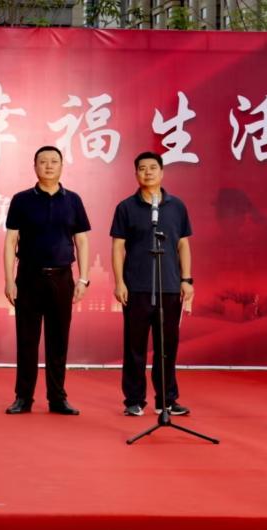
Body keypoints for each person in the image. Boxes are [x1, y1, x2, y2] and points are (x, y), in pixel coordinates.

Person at [3, 146, 90, 416]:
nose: (49, 166)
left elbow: (82, 240)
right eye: (43, 162)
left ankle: (57, 398)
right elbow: (11, 241)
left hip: (62, 277)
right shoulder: (21, 200)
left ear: (62, 166)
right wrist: (9, 280)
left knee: (58, 341)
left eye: (54, 161)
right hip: (29, 277)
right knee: (26, 340)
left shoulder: (73, 200)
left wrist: (83, 279)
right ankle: (23, 398)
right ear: (34, 166)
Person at [112, 151, 194, 417]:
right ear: (136, 174)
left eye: (153, 168)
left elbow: (183, 244)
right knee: (134, 347)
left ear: (162, 172)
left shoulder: (177, 206)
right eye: (142, 168)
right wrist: (119, 282)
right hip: (136, 287)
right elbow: (118, 247)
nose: (147, 172)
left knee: (167, 348)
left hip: (169, 286)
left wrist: (186, 280)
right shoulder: (126, 207)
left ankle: (166, 400)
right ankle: (134, 400)